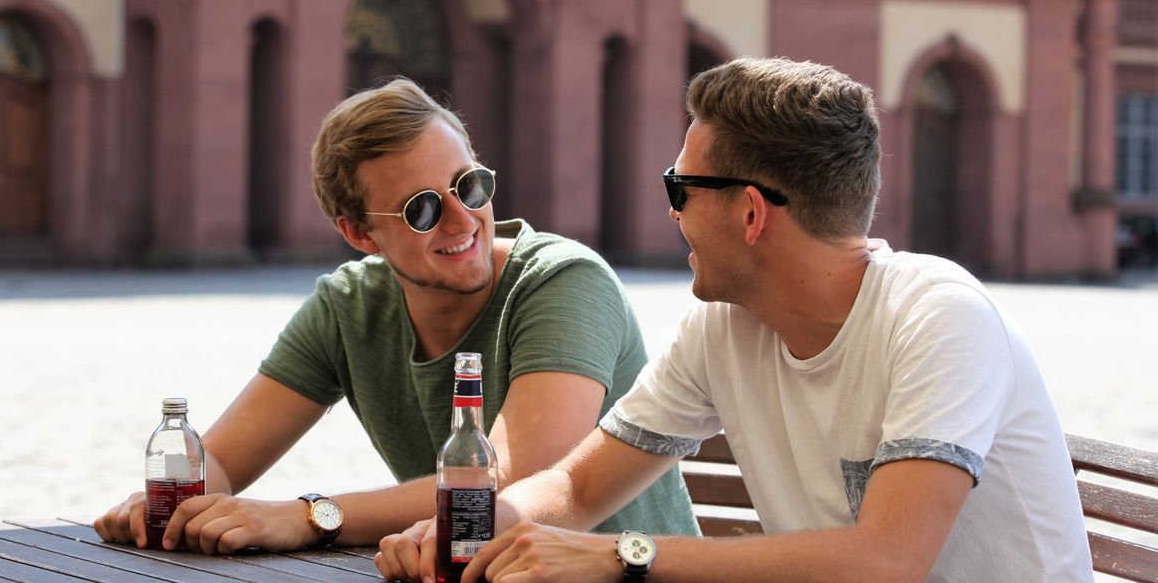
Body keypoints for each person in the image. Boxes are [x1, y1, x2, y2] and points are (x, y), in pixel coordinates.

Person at [376, 58, 1094, 582]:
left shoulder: (940, 318)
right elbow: (580, 488)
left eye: (680, 187)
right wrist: (473, 526)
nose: (670, 211)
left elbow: (887, 560)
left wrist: (620, 556)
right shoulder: (728, 324)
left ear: (751, 212)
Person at [93, 78, 698, 554]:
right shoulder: (350, 307)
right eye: (424, 208)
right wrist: (169, 505)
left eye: (470, 185)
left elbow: (510, 481)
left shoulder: (564, 281)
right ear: (359, 233)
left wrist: (311, 518)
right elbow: (222, 460)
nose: (463, 220)